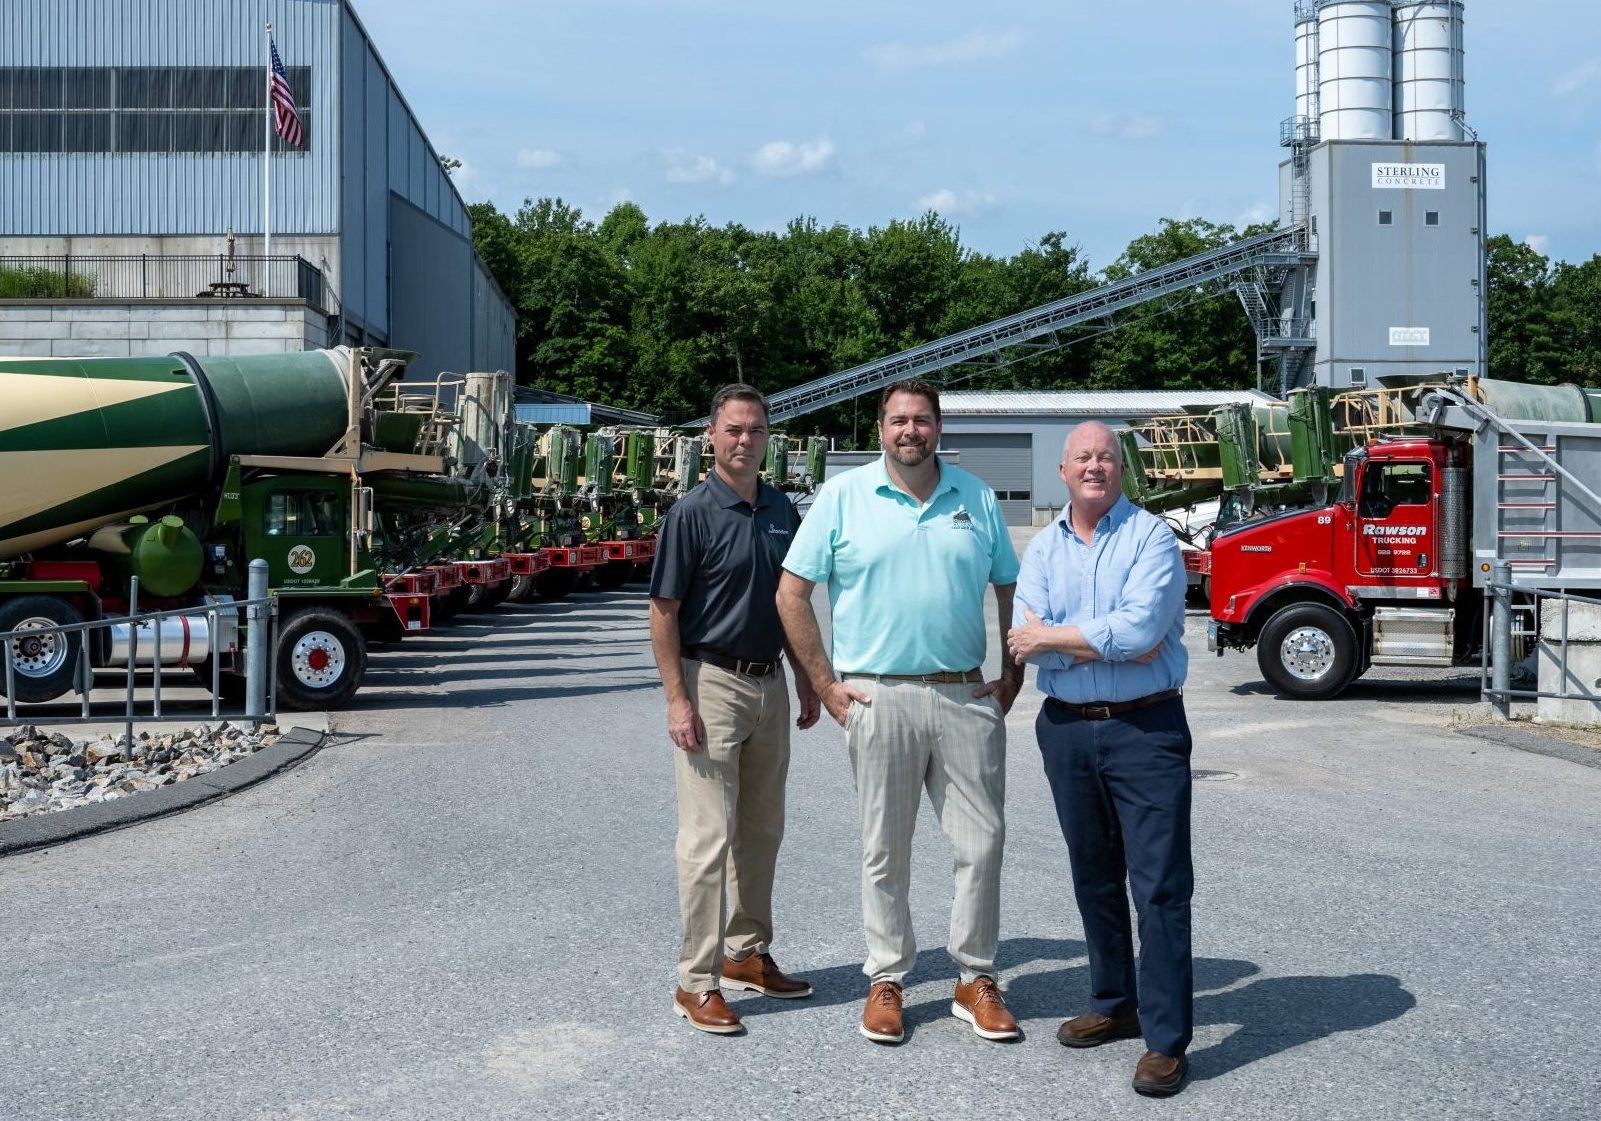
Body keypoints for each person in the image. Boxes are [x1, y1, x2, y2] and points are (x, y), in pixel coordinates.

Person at [777, 379, 1023, 1045]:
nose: (908, 430)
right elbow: (791, 593)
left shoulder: (973, 496)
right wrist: (826, 685)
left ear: (938, 427)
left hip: (963, 693)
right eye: (896, 420)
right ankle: (886, 977)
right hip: (876, 696)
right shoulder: (842, 497)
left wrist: (1011, 672)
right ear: (879, 428)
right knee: (884, 847)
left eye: (919, 419)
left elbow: (1010, 585)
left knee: (982, 843)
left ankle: (974, 977)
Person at [1006, 421, 1194, 1097]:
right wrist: (1098, 639)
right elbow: (1023, 640)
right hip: (1064, 729)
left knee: (1159, 885)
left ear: (1121, 469)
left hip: (1145, 728)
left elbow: (1143, 631)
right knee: (1092, 874)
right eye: (1083, 457)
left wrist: (1058, 637)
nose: (1095, 466)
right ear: (1062, 470)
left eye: (1106, 457)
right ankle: (1114, 1001)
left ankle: (1166, 1039)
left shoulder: (1149, 537)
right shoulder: (1042, 548)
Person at [649, 383, 821, 1035]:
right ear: (711, 437)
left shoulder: (782, 509)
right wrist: (676, 697)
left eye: (754, 430)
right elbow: (662, 611)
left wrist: (808, 677)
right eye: (733, 430)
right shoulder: (690, 513)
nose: (744, 440)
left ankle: (744, 953)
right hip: (710, 679)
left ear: (766, 438)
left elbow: (792, 602)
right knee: (705, 838)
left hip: (769, 682)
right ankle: (694, 981)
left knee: (761, 828)